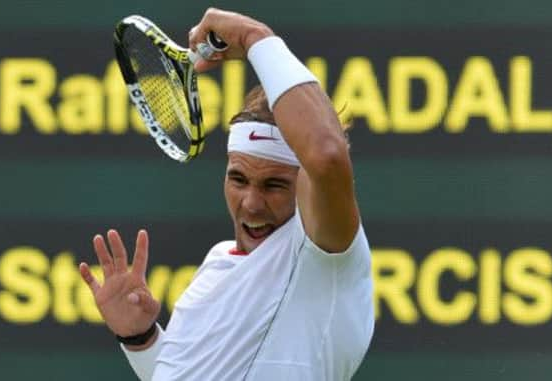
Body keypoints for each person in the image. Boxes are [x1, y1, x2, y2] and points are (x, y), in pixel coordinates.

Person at [79, 8, 374, 381]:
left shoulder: (324, 258)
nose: (251, 203)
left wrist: (255, 38)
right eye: (238, 180)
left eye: (274, 185)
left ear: (304, 188)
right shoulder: (215, 267)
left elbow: (327, 155)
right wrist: (141, 338)